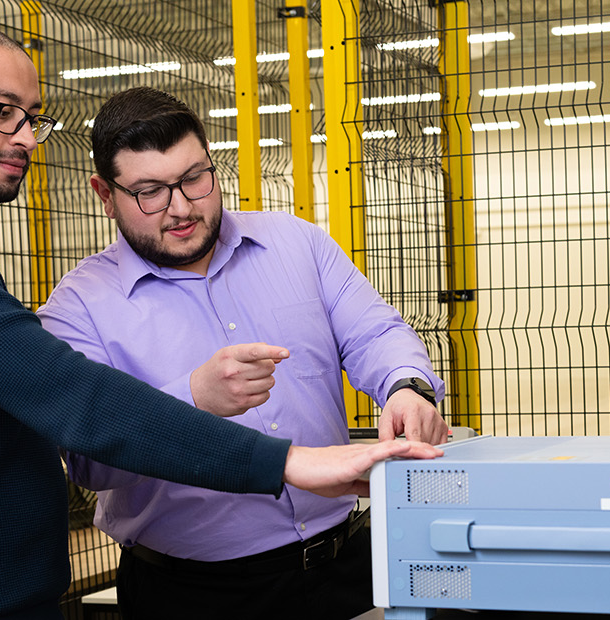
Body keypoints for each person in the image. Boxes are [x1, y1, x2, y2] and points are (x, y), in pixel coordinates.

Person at [0, 20, 441, 620]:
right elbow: (75, 400)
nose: (26, 137)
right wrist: (281, 459)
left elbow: (374, 332)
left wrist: (405, 384)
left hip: (1, 597)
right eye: (2, 110)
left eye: (32, 117)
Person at [36, 86, 450, 619]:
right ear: (104, 193)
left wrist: (408, 387)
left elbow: (375, 333)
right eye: (150, 192)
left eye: (194, 178)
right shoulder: (77, 308)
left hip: (345, 566)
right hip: (192, 596)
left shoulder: (297, 244)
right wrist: (192, 397)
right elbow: (89, 463)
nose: (181, 208)